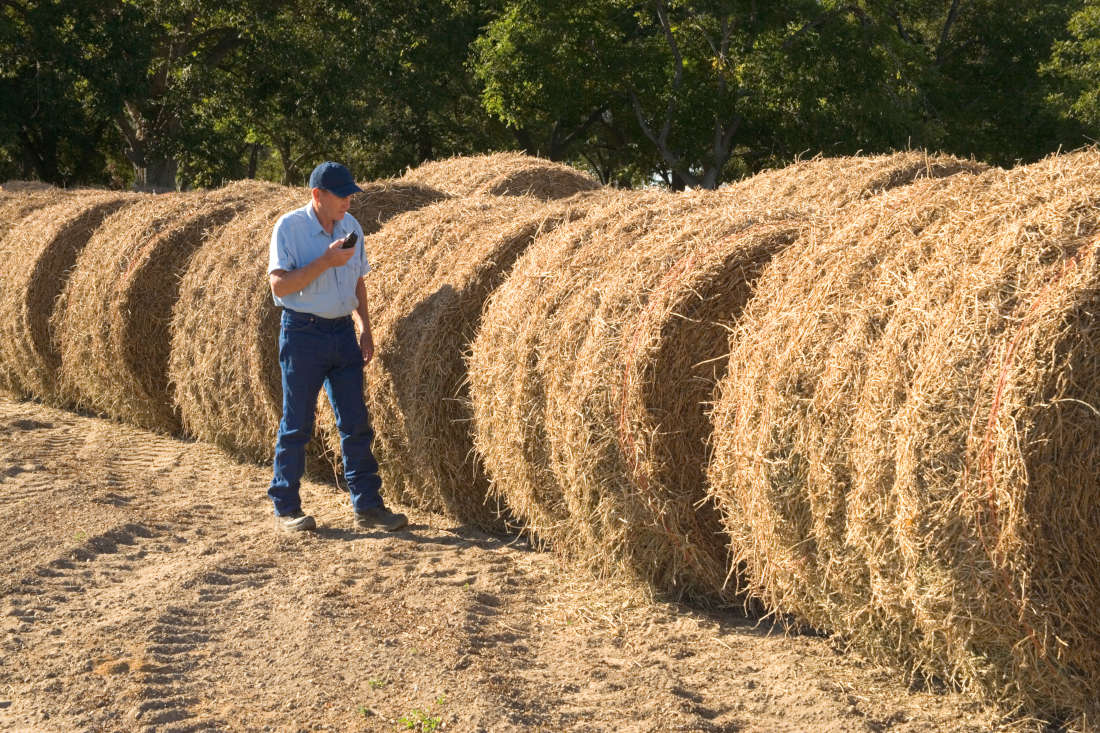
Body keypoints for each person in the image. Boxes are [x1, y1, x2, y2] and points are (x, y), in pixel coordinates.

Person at [266, 161, 407, 532]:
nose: (349, 200)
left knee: (356, 423)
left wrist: (365, 328)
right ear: (318, 195)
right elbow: (279, 287)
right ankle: (286, 507)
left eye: (350, 193)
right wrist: (326, 261)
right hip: (303, 334)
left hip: (343, 334)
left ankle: (368, 506)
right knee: (297, 424)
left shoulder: (352, 227)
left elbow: (358, 282)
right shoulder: (290, 228)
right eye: (342, 194)